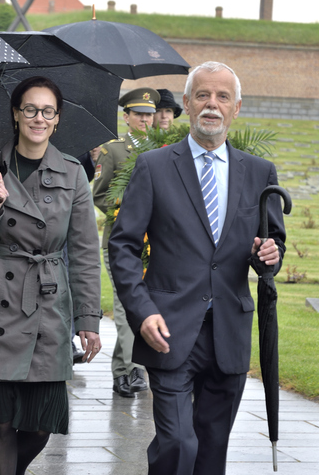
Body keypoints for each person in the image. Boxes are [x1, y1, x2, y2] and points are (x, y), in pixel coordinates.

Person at [108, 61, 286, 475]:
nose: (212, 104)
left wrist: (269, 254)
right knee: (177, 443)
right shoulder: (153, 167)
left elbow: (272, 243)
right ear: (187, 103)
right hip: (168, 328)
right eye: (203, 95)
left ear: (236, 107)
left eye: (223, 96)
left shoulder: (259, 173)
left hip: (229, 330)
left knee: (211, 450)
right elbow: (123, 246)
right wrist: (142, 311)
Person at [0, 75, 102, 475]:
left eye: (48, 111)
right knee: (1, 422)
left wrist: (88, 320)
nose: (39, 118)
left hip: (47, 302)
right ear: (16, 114)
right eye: (31, 109)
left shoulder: (73, 172)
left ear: (57, 119)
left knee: (40, 425)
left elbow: (85, 252)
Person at [93, 87, 160, 397]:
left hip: (153, 244)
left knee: (143, 303)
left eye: (149, 115)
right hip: (122, 241)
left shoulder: (162, 150)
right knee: (124, 305)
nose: (145, 120)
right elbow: (100, 194)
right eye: (139, 114)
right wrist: (128, 210)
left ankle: (124, 371)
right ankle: (132, 369)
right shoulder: (114, 151)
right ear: (127, 117)